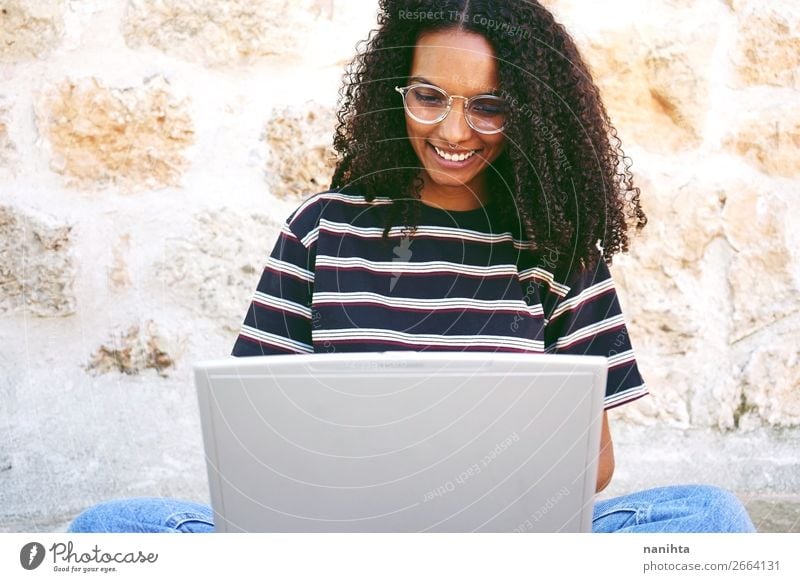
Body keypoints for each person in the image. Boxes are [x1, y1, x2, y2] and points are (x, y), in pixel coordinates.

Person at [68, 0, 754, 533]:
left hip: (508, 542)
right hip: (341, 540)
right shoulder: (321, 231)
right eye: (429, 97)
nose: (454, 133)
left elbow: (592, 470)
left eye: (488, 106)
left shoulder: (559, 247)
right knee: (105, 531)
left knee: (711, 517)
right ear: (395, 90)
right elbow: (254, 448)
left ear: (532, 113)